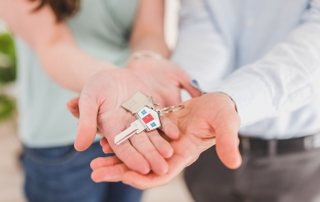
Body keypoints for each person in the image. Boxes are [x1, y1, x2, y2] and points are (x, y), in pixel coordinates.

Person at [74, 0, 320, 201]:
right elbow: (203, 27)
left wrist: (233, 99)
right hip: (199, 141)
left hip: (294, 153)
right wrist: (182, 87)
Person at [0, 0, 200, 201]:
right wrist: (110, 80)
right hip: (61, 137)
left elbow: (149, 32)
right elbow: (53, 44)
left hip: (131, 121)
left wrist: (146, 60)